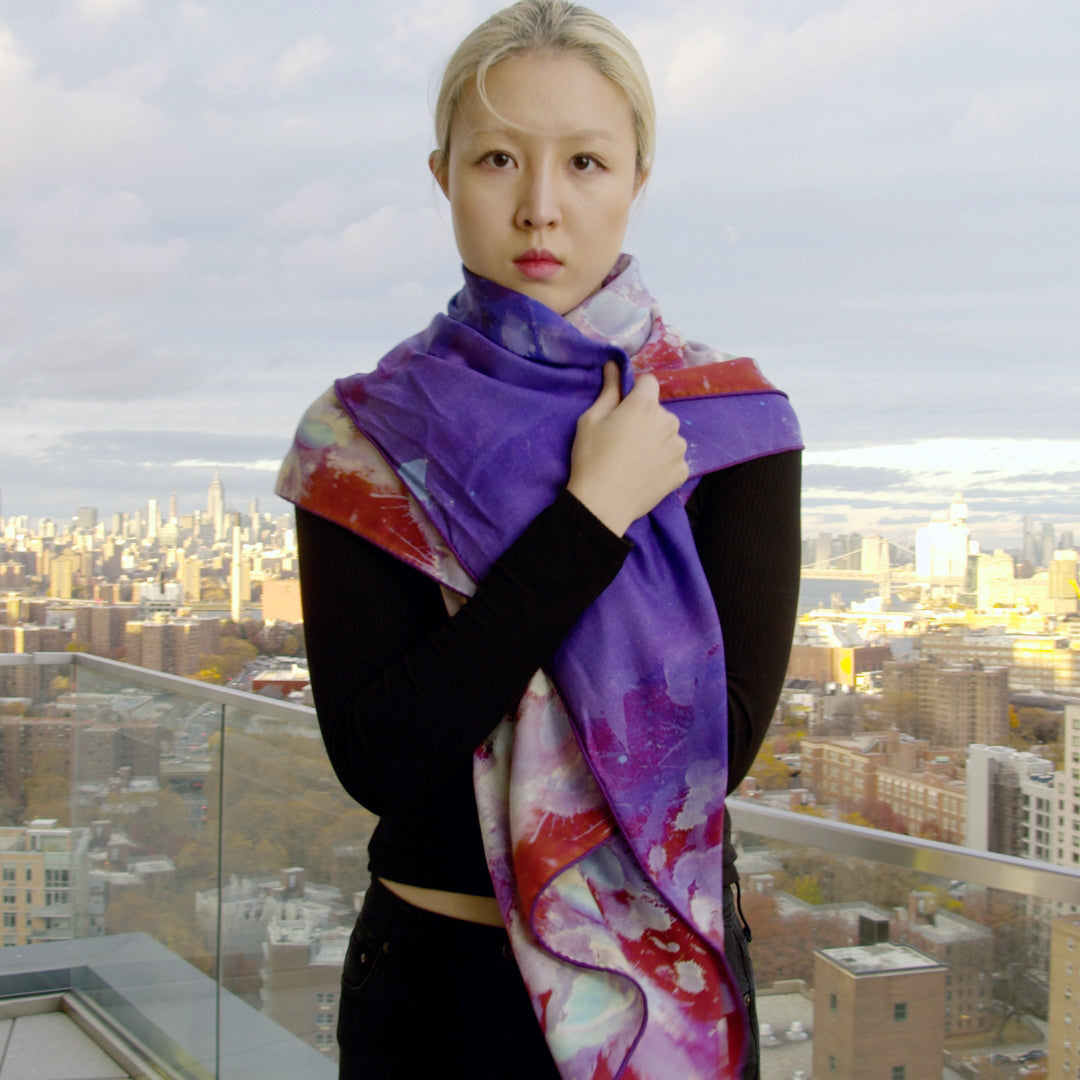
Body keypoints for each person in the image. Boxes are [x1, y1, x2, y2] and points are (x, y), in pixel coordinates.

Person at [276, 2, 802, 1077]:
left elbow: (716, 754)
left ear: (638, 180)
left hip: (657, 1002)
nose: (541, 208)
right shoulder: (364, 440)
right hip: (437, 1000)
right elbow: (382, 760)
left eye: (588, 162)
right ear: (443, 176)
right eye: (500, 158)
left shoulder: (723, 424)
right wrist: (589, 520)